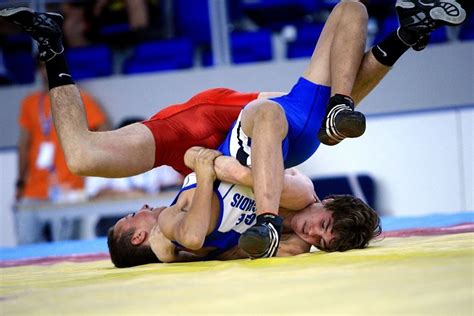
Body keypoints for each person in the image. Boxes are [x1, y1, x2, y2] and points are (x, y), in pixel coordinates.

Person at [0, 0, 466, 249]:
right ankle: (382, 60)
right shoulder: (296, 204)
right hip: (223, 130)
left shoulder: (177, 234)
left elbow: (184, 236)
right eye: (324, 229)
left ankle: (50, 44)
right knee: (312, 121)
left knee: (82, 157)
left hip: (213, 142)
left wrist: (208, 179)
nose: (313, 235)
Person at [107, 147, 381, 267]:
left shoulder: (294, 244)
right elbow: (229, 169)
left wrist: (184, 257)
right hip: (219, 157)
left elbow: (228, 254)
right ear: (329, 202)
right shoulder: (298, 191)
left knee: (182, 240)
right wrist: (204, 171)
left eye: (320, 243)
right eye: (323, 225)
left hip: (203, 211)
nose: (311, 234)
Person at [15, 60, 110, 244]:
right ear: (37, 70)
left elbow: (103, 131)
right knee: (26, 244)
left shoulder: (79, 98)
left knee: (64, 246)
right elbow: (24, 144)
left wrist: (92, 171)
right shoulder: (30, 103)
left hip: (69, 187)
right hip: (33, 189)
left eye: (49, 65)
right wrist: (20, 183)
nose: (46, 71)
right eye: (42, 67)